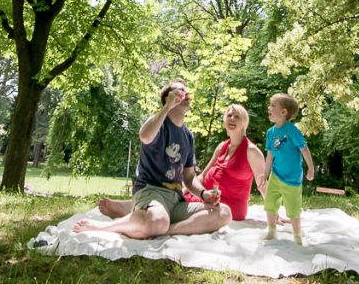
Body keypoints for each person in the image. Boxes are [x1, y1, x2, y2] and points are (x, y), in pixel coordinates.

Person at [73, 79, 232, 238]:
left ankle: (165, 228)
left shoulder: (188, 135)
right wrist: (167, 108)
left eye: (186, 91)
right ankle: (104, 226)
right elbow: (145, 136)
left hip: (175, 201)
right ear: (168, 98)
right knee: (158, 220)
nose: (186, 93)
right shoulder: (157, 123)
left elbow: (189, 178)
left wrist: (204, 194)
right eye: (179, 91)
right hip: (150, 191)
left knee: (224, 212)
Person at [98, 103, 267, 221]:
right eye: (229, 115)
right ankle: (133, 207)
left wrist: (272, 211)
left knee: (175, 204)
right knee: (176, 197)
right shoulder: (222, 147)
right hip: (206, 196)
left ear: (244, 122)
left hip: (230, 205)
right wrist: (186, 189)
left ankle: (128, 209)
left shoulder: (251, 150)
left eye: (237, 116)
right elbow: (201, 176)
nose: (232, 118)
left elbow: (262, 184)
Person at [257, 92, 314, 244]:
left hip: (292, 178)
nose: (269, 107)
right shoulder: (271, 132)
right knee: (270, 204)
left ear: (283, 112)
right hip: (276, 175)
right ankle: (271, 231)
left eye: (273, 105)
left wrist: (311, 169)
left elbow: (304, 149)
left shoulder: (292, 130)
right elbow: (270, 154)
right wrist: (265, 174)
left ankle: (297, 236)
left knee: (293, 209)